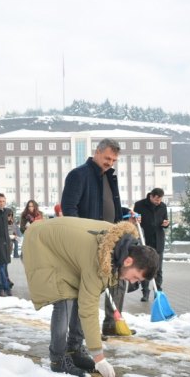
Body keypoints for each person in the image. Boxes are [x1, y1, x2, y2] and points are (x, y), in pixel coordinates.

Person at [22, 217, 159, 377]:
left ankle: (74, 350)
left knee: (79, 295)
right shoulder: (99, 258)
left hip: (60, 245)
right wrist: (99, 358)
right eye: (135, 277)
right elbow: (88, 308)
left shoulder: (117, 248)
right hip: (41, 244)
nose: (133, 282)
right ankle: (58, 360)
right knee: (64, 299)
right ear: (128, 261)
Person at [59, 138, 133, 337]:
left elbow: (107, 205)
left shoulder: (109, 177)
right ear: (97, 152)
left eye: (114, 160)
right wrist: (81, 236)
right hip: (89, 241)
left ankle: (112, 322)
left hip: (111, 239)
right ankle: (80, 333)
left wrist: (126, 212)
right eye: (107, 158)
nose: (110, 163)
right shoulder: (78, 175)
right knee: (89, 289)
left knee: (117, 279)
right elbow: (69, 208)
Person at [133, 188, 170, 301]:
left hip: (158, 241)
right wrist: (136, 221)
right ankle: (145, 292)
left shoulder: (163, 206)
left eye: (160, 200)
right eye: (156, 199)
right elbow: (135, 221)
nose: (158, 202)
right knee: (145, 267)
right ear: (151, 196)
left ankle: (158, 291)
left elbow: (165, 221)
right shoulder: (139, 205)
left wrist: (166, 224)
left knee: (158, 268)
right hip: (145, 240)